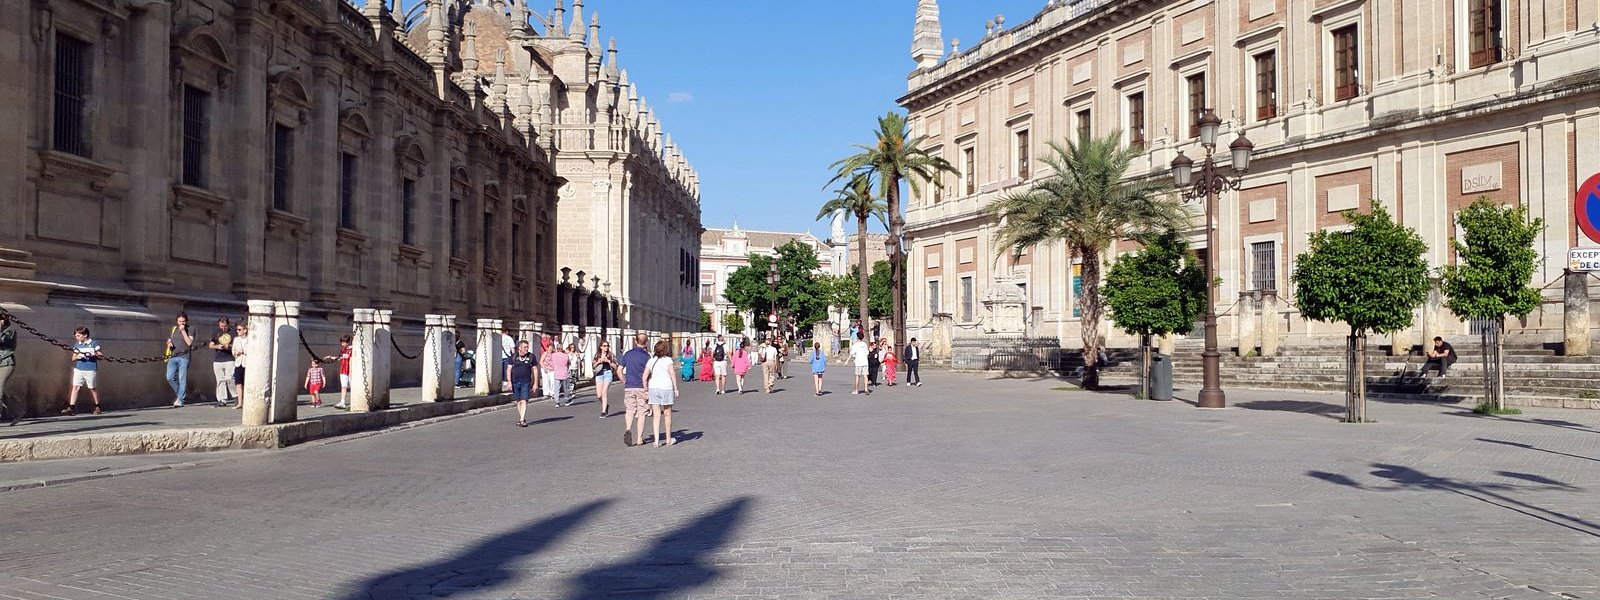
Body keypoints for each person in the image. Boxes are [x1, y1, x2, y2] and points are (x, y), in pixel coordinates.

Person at [642, 339, 680, 447]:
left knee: (656, 415)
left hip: (653, 387)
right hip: (666, 388)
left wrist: (645, 389)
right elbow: (672, 374)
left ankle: (656, 441)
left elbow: (644, 376)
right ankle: (668, 439)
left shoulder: (651, 361)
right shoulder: (668, 360)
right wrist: (676, 389)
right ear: (666, 349)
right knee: (667, 414)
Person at [619, 332, 652, 447]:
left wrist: (624, 381)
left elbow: (619, 370)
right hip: (641, 387)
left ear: (635, 341)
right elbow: (649, 374)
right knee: (642, 412)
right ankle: (639, 438)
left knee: (630, 410)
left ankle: (628, 428)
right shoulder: (647, 356)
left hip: (629, 386)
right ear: (646, 343)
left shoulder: (627, 354)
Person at [63, 326, 104, 415]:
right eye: (76, 335)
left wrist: (94, 355)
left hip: (90, 369)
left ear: (85, 335)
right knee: (75, 387)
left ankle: (97, 406)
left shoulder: (93, 343)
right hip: (79, 369)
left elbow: (100, 354)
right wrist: (78, 356)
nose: (76, 337)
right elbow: (73, 358)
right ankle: (71, 407)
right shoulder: (77, 345)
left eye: (78, 335)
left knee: (92, 388)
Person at [165, 312, 195, 407]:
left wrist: (183, 331)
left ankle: (181, 399)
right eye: (179, 321)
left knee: (182, 379)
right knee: (169, 377)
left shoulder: (191, 329)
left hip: (184, 357)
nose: (181, 323)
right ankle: (180, 395)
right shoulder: (174, 329)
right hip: (173, 356)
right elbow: (170, 339)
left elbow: (189, 342)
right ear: (177, 321)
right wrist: (169, 343)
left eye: (183, 321)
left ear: (186, 321)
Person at [207, 318, 235, 407]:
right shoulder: (216, 332)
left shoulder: (233, 332)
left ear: (228, 324)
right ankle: (222, 399)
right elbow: (210, 345)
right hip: (218, 359)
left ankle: (235, 396)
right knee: (220, 380)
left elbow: (237, 344)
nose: (223, 329)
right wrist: (217, 346)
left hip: (229, 358)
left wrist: (229, 346)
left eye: (225, 326)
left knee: (230, 378)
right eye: (221, 326)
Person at [0, 314, 22, 425]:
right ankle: (18, 410)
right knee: (1, 391)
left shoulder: (10, 331)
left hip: (6, 363)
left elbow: (3, 341)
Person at [509, 340, 536, 427]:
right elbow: (509, 369)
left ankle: (522, 419)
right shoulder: (514, 357)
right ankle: (521, 418)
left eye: (527, 347)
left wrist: (535, 383)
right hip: (515, 381)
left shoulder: (531, 356)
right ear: (519, 348)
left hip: (526, 381)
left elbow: (535, 370)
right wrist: (509, 381)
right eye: (525, 347)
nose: (526, 349)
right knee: (518, 400)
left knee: (524, 399)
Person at [593, 340, 619, 418]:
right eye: (604, 346)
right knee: (599, 395)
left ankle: (603, 411)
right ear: (601, 347)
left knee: (604, 392)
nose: (606, 347)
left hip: (608, 373)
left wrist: (608, 361)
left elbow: (616, 366)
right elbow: (593, 366)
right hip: (599, 374)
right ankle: (606, 405)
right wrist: (598, 362)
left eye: (607, 346)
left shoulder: (610, 355)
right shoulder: (597, 355)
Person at [331, 336, 354, 410]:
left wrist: (351, 372)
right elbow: (340, 358)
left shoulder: (352, 349)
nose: (342, 344)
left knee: (352, 387)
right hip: (343, 370)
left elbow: (351, 360)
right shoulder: (343, 349)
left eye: (344, 342)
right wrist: (332, 357)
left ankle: (353, 402)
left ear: (348, 342)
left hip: (349, 370)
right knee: (343, 386)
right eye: (342, 342)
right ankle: (342, 402)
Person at [548, 341, 573, 406]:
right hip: (564, 373)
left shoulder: (553, 355)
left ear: (556, 348)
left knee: (556, 389)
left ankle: (557, 402)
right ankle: (567, 400)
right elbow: (569, 363)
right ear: (562, 349)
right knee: (566, 388)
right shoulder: (566, 356)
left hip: (557, 373)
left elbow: (551, 362)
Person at [231, 322, 248, 409]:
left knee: (246, 383)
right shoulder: (236, 339)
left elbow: (253, 350)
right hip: (238, 363)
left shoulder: (250, 339)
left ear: (245, 330)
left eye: (239, 329)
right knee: (238, 383)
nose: (238, 331)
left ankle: (246, 402)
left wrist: (243, 351)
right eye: (237, 329)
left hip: (246, 363)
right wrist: (235, 353)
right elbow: (233, 350)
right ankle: (240, 402)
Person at [539, 335, 556, 401]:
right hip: (545, 369)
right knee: (546, 381)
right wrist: (544, 368)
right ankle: (546, 393)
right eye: (550, 347)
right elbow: (541, 361)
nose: (551, 349)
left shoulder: (554, 354)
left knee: (552, 381)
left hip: (552, 369)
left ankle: (552, 393)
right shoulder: (545, 353)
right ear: (547, 347)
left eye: (552, 347)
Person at [500, 328, 516, 392]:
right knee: (507, 370)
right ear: (507, 332)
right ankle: (506, 382)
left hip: (499, 356)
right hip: (507, 356)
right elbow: (513, 349)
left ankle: (500, 382)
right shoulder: (509, 338)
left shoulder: (498, 337)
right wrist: (514, 356)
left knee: (499, 370)